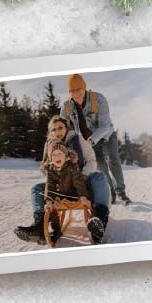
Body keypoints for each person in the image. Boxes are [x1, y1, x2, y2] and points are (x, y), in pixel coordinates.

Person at [15, 116, 111, 245]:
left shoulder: (78, 139)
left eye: (60, 128)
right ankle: (39, 228)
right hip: (61, 186)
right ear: (50, 132)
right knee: (36, 188)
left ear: (66, 128)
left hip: (81, 183)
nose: (57, 132)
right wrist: (45, 168)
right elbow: (46, 167)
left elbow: (92, 160)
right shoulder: (49, 144)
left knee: (99, 177)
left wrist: (81, 175)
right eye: (53, 129)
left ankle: (99, 221)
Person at [61, 74, 131, 204]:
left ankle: (121, 191)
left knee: (112, 160)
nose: (76, 94)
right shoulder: (68, 107)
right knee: (101, 168)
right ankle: (111, 193)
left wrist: (91, 140)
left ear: (84, 88)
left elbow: (105, 126)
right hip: (89, 142)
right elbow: (61, 124)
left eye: (79, 89)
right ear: (69, 92)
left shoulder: (98, 99)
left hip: (106, 136)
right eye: (73, 91)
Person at [41, 139, 103, 245]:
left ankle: (94, 222)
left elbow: (78, 181)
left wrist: (83, 196)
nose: (57, 157)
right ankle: (56, 227)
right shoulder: (50, 170)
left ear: (65, 156)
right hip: (61, 194)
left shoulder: (72, 166)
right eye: (54, 155)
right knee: (50, 206)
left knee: (90, 198)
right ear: (50, 158)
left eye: (60, 154)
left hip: (75, 194)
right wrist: (48, 200)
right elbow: (49, 185)